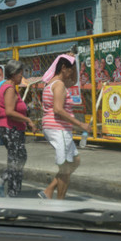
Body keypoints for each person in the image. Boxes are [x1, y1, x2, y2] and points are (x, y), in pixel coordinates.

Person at [39, 54, 90, 200]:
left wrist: (74, 62)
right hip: (59, 128)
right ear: (63, 68)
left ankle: (49, 190)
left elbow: (74, 80)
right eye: (70, 70)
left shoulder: (52, 83)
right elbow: (58, 109)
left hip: (55, 128)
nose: (71, 73)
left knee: (75, 161)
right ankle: (59, 202)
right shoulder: (59, 85)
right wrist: (81, 125)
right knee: (66, 168)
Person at [0, 59, 37, 197]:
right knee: (18, 160)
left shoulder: (7, 87)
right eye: (20, 73)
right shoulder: (9, 88)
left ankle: (7, 188)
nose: (21, 76)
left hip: (10, 128)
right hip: (11, 129)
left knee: (16, 159)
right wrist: (28, 120)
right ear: (13, 73)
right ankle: (8, 189)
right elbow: (9, 111)